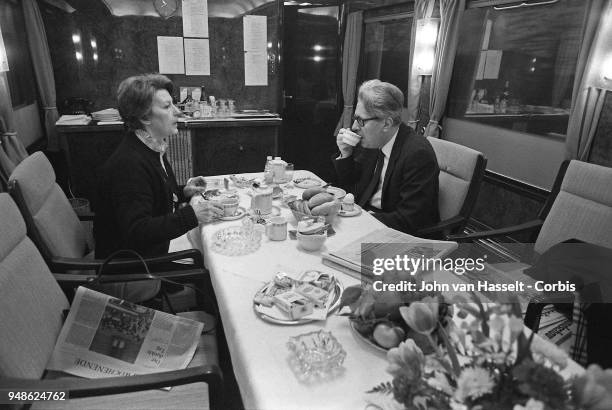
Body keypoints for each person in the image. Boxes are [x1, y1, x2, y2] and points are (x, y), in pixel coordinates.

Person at [94, 74, 223, 259]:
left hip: (148, 253)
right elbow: (138, 230)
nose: (177, 112)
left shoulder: (150, 147)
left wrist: (183, 191)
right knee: (211, 260)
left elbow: (152, 196)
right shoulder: (129, 165)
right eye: (167, 106)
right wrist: (191, 215)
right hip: (133, 269)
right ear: (145, 117)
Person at [332, 79, 440, 234]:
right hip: (367, 218)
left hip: (399, 235)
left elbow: (411, 219)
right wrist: (346, 154)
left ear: (387, 124)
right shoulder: (374, 140)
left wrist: (362, 221)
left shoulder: (417, 154)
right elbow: (351, 186)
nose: (355, 127)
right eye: (356, 118)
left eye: (361, 120)